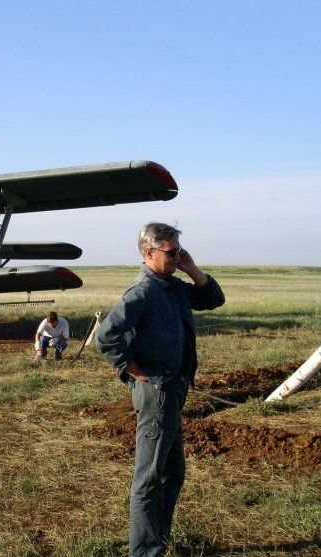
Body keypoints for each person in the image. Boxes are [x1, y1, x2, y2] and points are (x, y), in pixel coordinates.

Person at [95, 222, 225, 557]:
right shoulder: (143, 292)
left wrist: (191, 268)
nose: (177, 256)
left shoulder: (174, 286)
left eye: (180, 250)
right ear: (149, 253)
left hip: (173, 391)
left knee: (172, 472)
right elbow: (107, 335)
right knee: (149, 478)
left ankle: (159, 541)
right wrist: (133, 369)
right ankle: (145, 552)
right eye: (171, 252)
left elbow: (214, 298)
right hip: (157, 392)